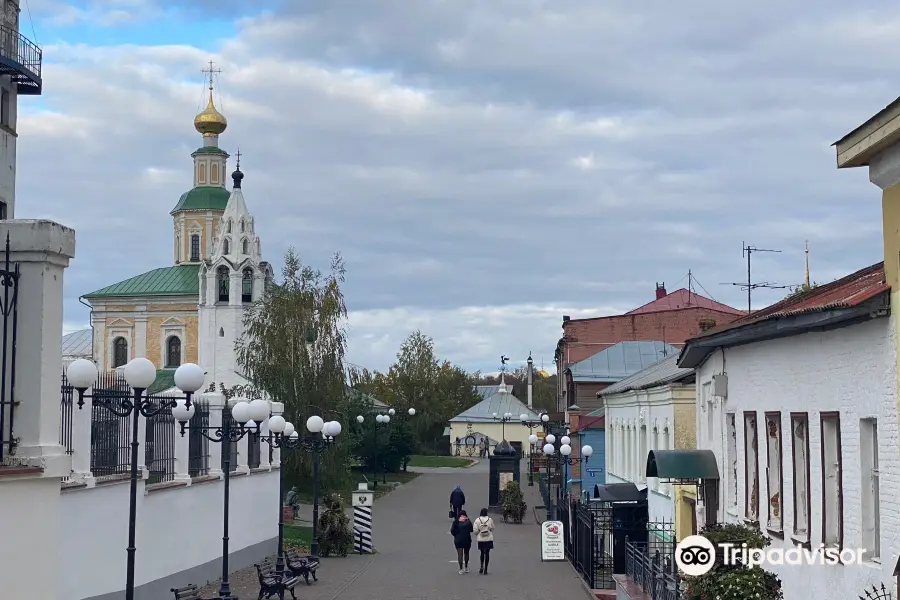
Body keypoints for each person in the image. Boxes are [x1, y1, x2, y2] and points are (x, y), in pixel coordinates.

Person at [450, 509, 474, 574]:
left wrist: (456, 535)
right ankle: (466, 567)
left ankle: (461, 568)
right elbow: (472, 529)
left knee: (460, 554)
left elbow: (452, 531)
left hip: (458, 540)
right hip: (467, 539)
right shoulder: (468, 522)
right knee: (466, 553)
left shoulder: (456, 522)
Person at [473, 508, 495, 574]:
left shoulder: (477, 520)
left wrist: (479, 533)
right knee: (487, 553)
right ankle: (486, 569)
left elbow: (475, 531)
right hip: (489, 538)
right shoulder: (490, 519)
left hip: (481, 539)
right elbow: (492, 528)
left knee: (482, 553)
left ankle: (481, 566)